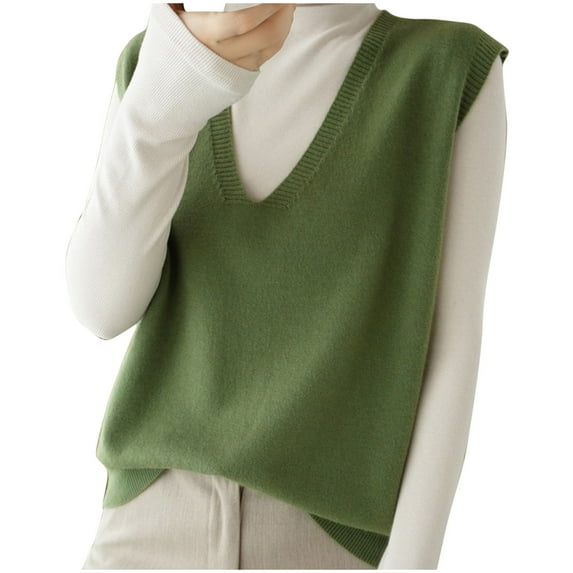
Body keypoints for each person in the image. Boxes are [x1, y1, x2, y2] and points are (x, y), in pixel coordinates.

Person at [67, 3, 509, 569]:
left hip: (325, 540)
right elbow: (101, 308)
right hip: (143, 527)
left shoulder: (446, 68)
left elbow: (453, 343)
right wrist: (164, 99)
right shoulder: (161, 59)